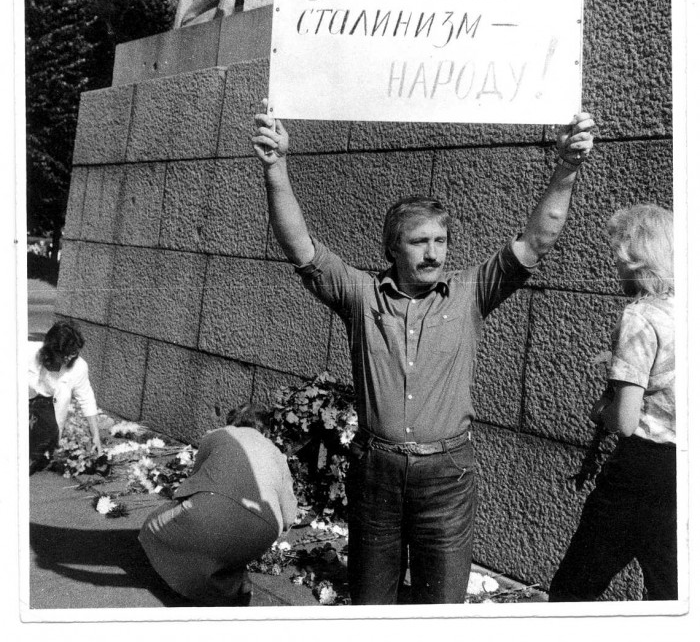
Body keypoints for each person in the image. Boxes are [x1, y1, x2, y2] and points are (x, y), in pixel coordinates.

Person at [251, 99, 595, 605]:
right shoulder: (362, 296)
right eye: (419, 242)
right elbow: (299, 243)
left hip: (447, 477)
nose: (433, 252)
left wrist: (566, 167)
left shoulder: (470, 294)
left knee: (442, 609)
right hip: (377, 475)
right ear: (394, 248)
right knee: (372, 604)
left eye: (440, 240)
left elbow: (537, 242)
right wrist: (276, 166)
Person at [549, 204, 676, 602]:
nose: (615, 267)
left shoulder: (640, 317)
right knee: (670, 589)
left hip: (641, 470)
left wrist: (600, 408)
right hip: (684, 470)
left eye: (619, 259)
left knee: (573, 589)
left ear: (638, 261)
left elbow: (624, 420)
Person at [138, 403, 298, 607]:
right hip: (264, 530)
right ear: (265, 430)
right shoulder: (277, 454)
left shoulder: (217, 436)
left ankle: (193, 587)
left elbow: (195, 479)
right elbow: (289, 516)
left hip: (211, 514)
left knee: (152, 528)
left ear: (231, 422)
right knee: (225, 544)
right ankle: (230, 581)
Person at [28, 320, 102, 474]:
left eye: (74, 353)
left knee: (40, 448)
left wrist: (95, 435)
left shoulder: (79, 366)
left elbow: (86, 398)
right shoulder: (26, 352)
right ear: (52, 350)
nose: (70, 358)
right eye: (66, 354)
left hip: (47, 412)